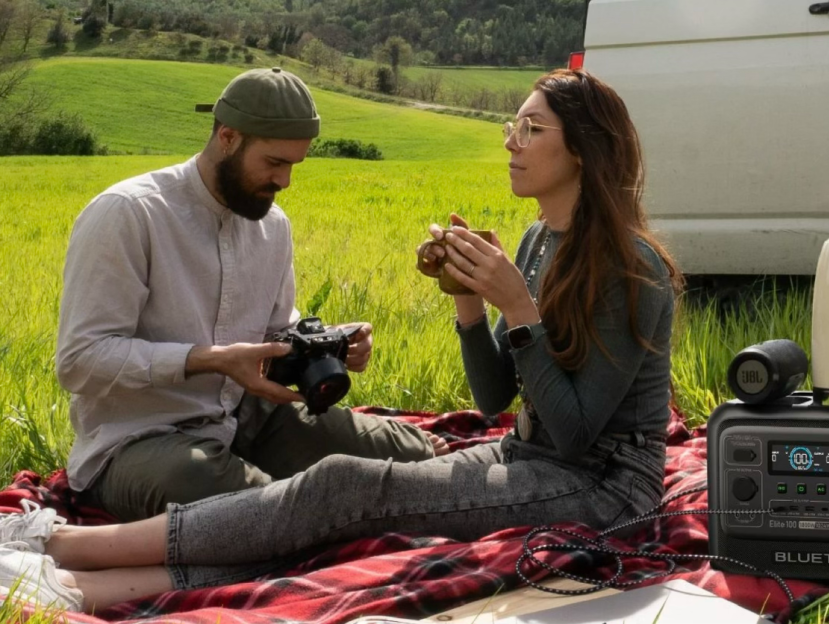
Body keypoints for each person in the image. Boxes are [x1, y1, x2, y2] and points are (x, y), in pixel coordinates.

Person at [0, 68, 683, 613]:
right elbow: (498, 398)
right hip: (151, 440)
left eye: (530, 128)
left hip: (601, 486)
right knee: (329, 504)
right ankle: (63, 554)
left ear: (583, 150)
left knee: (337, 498)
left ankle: (66, 563)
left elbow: (570, 435)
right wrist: (476, 306)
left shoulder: (630, 267)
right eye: (515, 123)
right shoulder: (129, 215)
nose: (509, 139)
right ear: (230, 137)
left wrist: (504, 306)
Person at [51, 67, 443, 523]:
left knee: (410, 459)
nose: (286, 181)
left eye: (294, 165)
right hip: (139, 441)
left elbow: (278, 324)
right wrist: (208, 359)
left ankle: (305, 507)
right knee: (265, 507)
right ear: (228, 138)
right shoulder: (128, 214)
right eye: (275, 163)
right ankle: (294, 512)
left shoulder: (273, 227)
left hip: (246, 415)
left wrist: (329, 340)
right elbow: (79, 361)